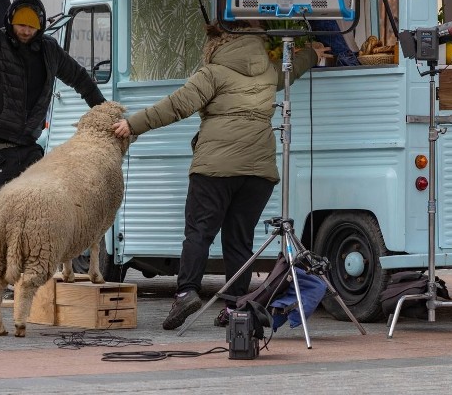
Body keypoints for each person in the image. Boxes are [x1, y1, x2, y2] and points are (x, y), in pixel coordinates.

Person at [113, 21, 330, 330]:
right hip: (259, 172)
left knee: (199, 232)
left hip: (215, 167)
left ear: (216, 44)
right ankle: (234, 307)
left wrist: (133, 125)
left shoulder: (212, 74)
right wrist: (312, 52)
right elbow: (292, 68)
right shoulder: (268, 71)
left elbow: (176, 106)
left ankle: (187, 291)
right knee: (239, 240)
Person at [0, 0, 106, 281]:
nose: (24, 31)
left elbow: (80, 78)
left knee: (32, 211)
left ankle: (25, 269)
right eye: (20, 25)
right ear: (11, 21)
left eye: (31, 26)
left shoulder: (50, 51)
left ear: (40, 27)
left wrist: (103, 111)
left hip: (27, 146)